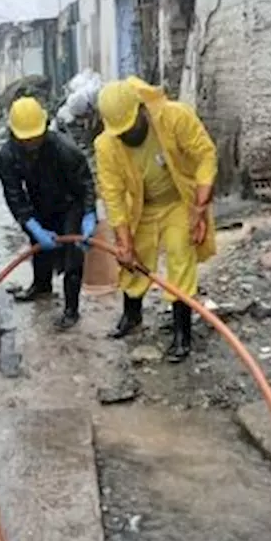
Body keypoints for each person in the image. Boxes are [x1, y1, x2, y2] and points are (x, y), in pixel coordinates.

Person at [94, 76, 217, 362]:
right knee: (135, 259)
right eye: (120, 132)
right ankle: (132, 315)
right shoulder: (106, 146)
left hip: (178, 201)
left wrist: (199, 208)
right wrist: (123, 243)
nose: (127, 135)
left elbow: (205, 155)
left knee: (180, 255)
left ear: (141, 108)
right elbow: (112, 196)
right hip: (142, 207)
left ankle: (181, 333)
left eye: (130, 127)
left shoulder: (174, 117)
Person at [0, 96, 98, 330]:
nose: (32, 142)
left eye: (36, 137)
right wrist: (31, 224)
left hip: (69, 203)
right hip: (39, 203)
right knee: (39, 246)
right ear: (15, 135)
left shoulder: (64, 149)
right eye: (26, 139)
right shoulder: (8, 156)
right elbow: (15, 196)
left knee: (73, 255)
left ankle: (71, 309)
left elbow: (86, 184)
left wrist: (89, 214)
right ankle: (41, 286)